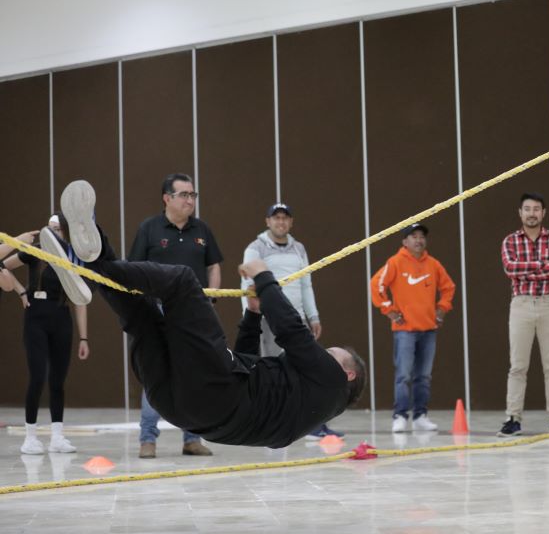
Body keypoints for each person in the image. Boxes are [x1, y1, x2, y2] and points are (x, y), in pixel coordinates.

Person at [56, 180, 367, 449]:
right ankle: (91, 256)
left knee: (182, 282)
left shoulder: (331, 381)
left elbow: (291, 331)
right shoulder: (305, 410)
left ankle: (91, 268)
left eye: (330, 354)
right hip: (182, 410)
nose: (322, 353)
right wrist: (253, 316)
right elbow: (248, 363)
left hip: (216, 391)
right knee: (144, 319)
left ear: (348, 373)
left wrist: (263, 275)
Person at [128, 173, 222, 458]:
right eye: (184, 195)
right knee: (155, 372)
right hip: (156, 312)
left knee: (193, 373)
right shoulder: (149, 229)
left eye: (193, 195)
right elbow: (133, 270)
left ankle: (192, 439)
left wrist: (211, 299)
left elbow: (213, 266)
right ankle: (148, 439)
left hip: (193, 313)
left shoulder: (202, 230)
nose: (190, 200)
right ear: (167, 198)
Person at [241, 202, 339, 440]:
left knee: (308, 370)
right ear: (268, 221)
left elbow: (306, 284)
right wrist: (252, 319)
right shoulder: (255, 248)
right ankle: (274, 424)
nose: (281, 222)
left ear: (291, 222)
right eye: (276, 218)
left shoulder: (299, 249)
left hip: (296, 321)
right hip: (270, 320)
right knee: (274, 372)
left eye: (285, 218)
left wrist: (313, 316)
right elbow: (247, 286)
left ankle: (312, 425)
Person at [0, 218, 89, 455]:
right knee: (38, 376)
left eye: (59, 229)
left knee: (58, 380)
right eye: (51, 228)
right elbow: (3, 265)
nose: (55, 232)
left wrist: (84, 338)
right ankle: (30, 437)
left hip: (61, 317)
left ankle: (57, 436)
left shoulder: (72, 258)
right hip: (35, 316)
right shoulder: (34, 251)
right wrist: (21, 291)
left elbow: (80, 300)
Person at [498, 193, 549, 436]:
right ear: (520, 212)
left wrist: (527, 271)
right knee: (517, 366)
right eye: (527, 209)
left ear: (543, 213)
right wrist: (541, 265)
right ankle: (513, 419)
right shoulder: (510, 241)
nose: (532, 213)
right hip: (521, 305)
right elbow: (510, 268)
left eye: (536, 209)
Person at [371, 223, 455, 433]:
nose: (419, 240)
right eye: (413, 236)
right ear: (404, 241)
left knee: (423, 376)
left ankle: (420, 416)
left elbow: (448, 287)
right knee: (403, 376)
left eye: (422, 237)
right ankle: (400, 416)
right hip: (404, 331)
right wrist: (388, 309)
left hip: (429, 329)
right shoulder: (395, 262)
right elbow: (376, 285)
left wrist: (442, 309)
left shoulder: (433, 264)